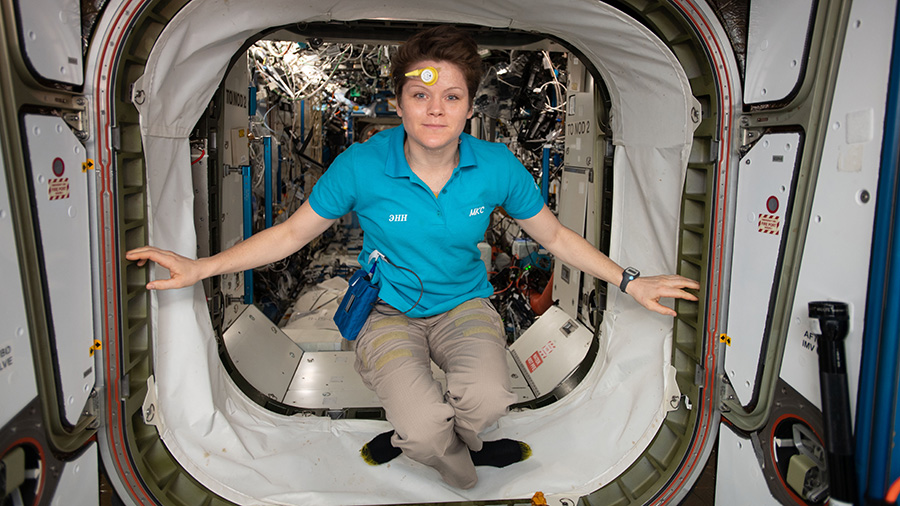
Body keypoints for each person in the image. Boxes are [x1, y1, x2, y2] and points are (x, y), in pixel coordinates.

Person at [126, 25, 700, 489]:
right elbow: (289, 236)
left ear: (470, 106)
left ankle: (438, 437)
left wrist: (631, 280)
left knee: (490, 396)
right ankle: (438, 449)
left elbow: (555, 238)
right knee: (427, 428)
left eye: (451, 96)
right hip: (387, 311)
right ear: (398, 100)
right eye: (419, 94)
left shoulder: (496, 167)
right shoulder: (361, 165)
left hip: (465, 306)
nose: (434, 110)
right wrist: (202, 268)